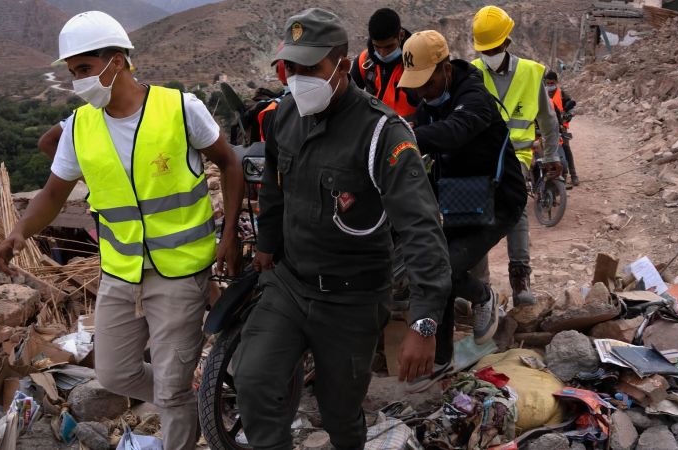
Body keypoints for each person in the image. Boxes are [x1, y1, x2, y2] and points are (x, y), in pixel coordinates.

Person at [0, 11, 244, 450]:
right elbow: (51, 194)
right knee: (114, 374)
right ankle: (189, 398)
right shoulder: (80, 127)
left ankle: (178, 404)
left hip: (180, 273)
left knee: (169, 389)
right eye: (73, 73)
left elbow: (231, 162)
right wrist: (20, 232)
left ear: (118, 61)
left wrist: (230, 235)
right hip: (121, 273)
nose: (78, 82)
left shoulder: (181, 109)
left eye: (84, 70)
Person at [235, 8, 451, 448]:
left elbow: (421, 228)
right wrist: (267, 245)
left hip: (352, 299)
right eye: (290, 68)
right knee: (254, 382)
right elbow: (275, 186)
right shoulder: (284, 117)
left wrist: (424, 322)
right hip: (291, 286)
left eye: (310, 68)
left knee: (339, 413)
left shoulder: (383, 134)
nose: (297, 78)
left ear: (343, 66)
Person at [396, 30, 527, 392]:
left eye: (428, 81)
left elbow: (453, 133)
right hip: (457, 198)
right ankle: (441, 361)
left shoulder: (474, 97)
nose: (422, 91)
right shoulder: (428, 104)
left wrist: (405, 134)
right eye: (416, 85)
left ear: (445, 69)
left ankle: (484, 297)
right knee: (437, 268)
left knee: (445, 269)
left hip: (500, 200)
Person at [470, 5, 563, 306]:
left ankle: (520, 276)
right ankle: (478, 285)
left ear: (507, 42)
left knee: (516, 209)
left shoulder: (531, 73)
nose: (491, 53)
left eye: (495, 47)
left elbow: (549, 120)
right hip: (480, 156)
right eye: (487, 49)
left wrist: (551, 155)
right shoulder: (471, 73)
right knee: (476, 215)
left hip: (517, 156)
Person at [350, 7, 418, 118]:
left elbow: (430, 108)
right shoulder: (364, 62)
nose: (383, 53)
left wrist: (414, 122)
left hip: (408, 131)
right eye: (377, 47)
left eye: (389, 46)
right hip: (373, 129)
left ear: (401, 35)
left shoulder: (417, 64)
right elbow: (347, 98)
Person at [545, 70, 579, 187]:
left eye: (552, 83)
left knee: (565, 149)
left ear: (556, 82)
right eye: (548, 83)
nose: (550, 85)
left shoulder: (562, 94)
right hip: (545, 126)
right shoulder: (541, 94)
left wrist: (568, 114)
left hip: (561, 127)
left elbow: (571, 107)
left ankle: (573, 175)